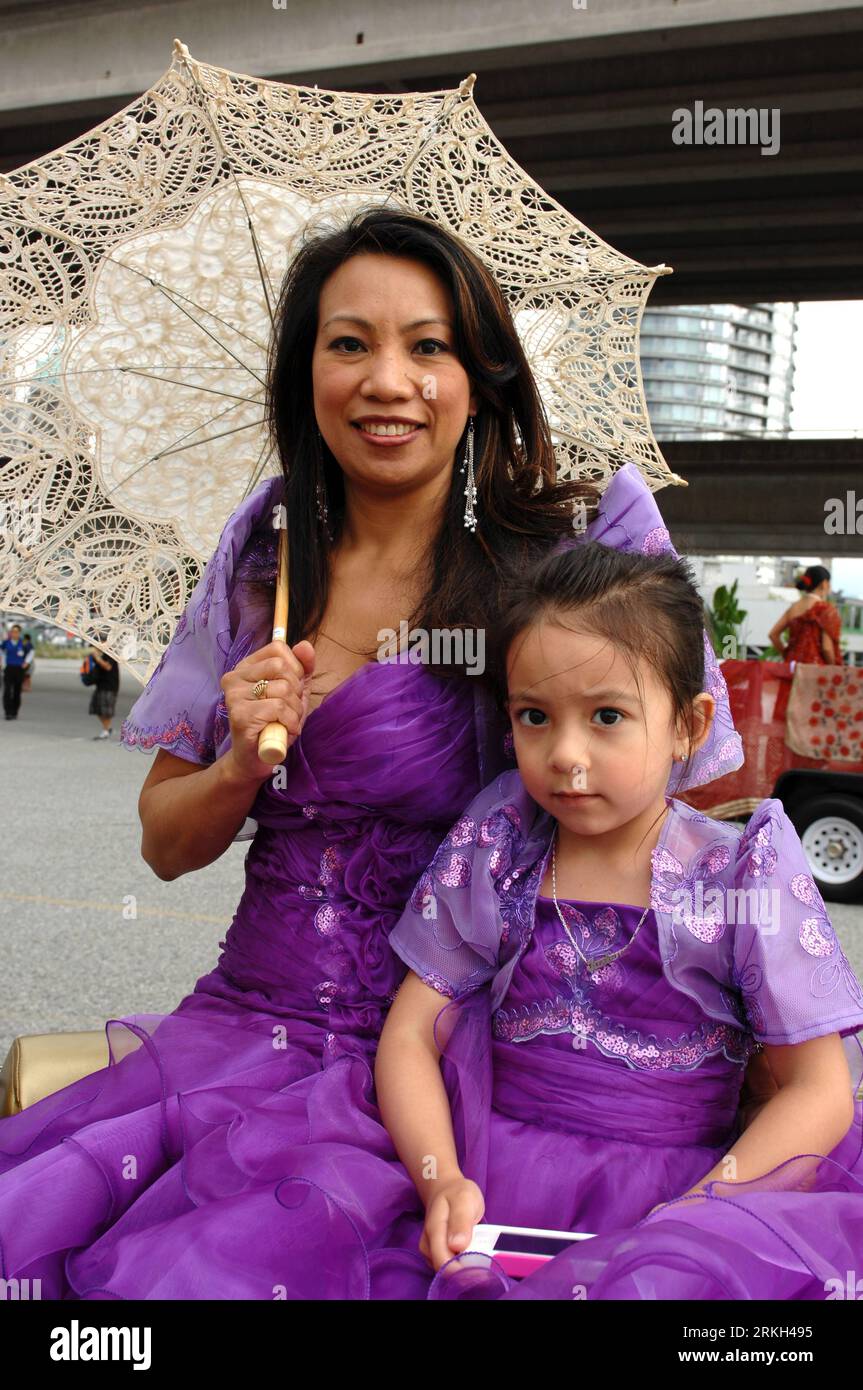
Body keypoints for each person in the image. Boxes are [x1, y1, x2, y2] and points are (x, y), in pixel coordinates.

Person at [0, 205, 608, 1299]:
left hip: (471, 1052)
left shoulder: (571, 550)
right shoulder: (259, 551)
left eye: (428, 345)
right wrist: (239, 757)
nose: (388, 380)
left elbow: (668, 804)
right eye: (348, 343)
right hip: (250, 1028)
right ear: (302, 372)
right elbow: (165, 849)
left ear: (481, 375)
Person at [370, 540, 863, 1300]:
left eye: (607, 716)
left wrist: (698, 1220)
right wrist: (440, 1178)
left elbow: (818, 1091)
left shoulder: (739, 871)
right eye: (534, 715)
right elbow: (408, 1031)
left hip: (694, 1202)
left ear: (688, 726)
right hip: (487, 1183)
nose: (565, 755)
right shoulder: (499, 843)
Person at [768, 564, 842, 722]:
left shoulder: (794, 608)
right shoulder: (825, 609)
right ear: (824, 584)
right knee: (812, 721)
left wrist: (788, 654)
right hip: (815, 674)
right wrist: (835, 669)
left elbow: (773, 635)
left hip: (792, 670)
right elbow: (827, 649)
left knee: (789, 721)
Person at [88, 646, 119, 738]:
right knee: (96, 707)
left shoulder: (110, 652)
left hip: (109, 685)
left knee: (105, 710)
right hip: (100, 684)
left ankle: (106, 730)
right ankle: (108, 728)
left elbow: (108, 667)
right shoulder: (99, 653)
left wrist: (97, 657)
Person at [1, 622, 26, 720]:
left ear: (19, 633)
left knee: (17, 691)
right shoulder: (6, 642)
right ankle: (7, 712)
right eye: (12, 631)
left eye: (16, 632)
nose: (14, 633)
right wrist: (2, 662)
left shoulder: (23, 643)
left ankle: (14, 711)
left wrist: (27, 663)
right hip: (9, 668)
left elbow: (31, 652)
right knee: (7, 690)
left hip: (19, 669)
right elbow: (2, 651)